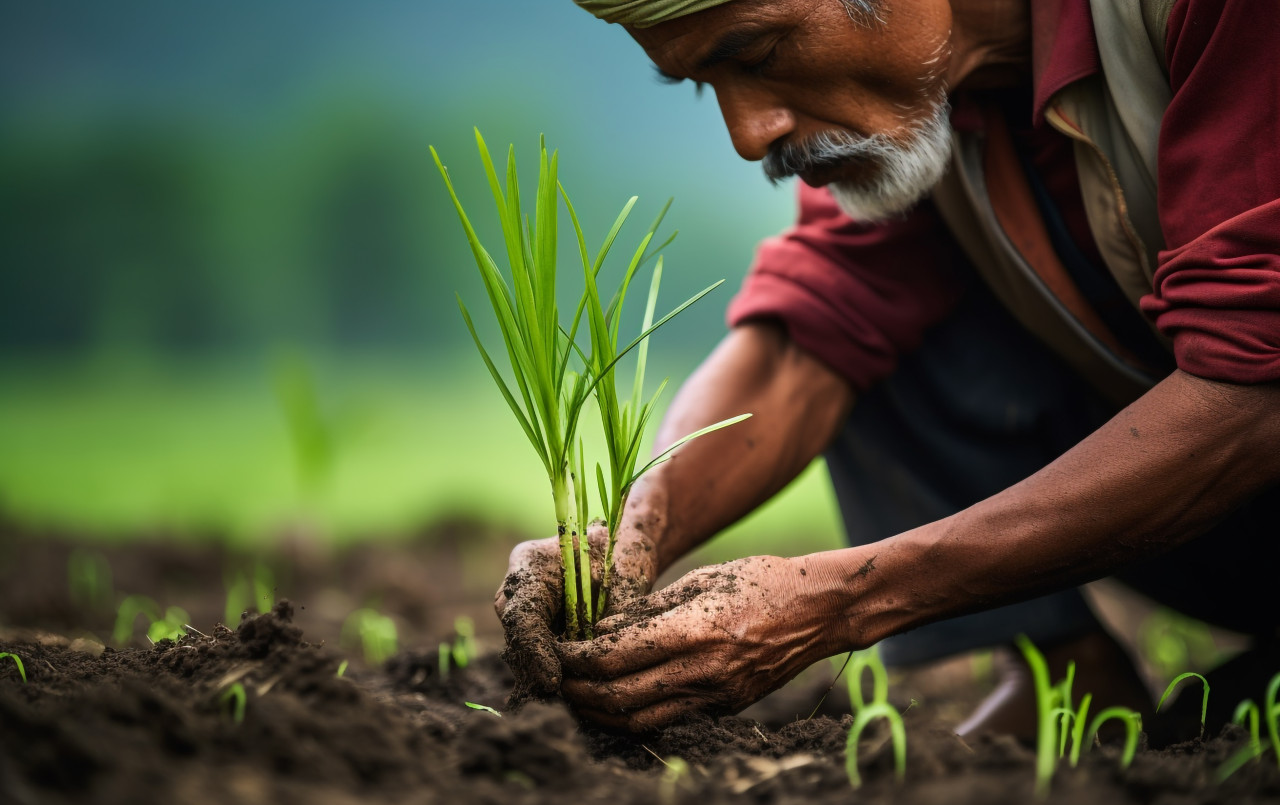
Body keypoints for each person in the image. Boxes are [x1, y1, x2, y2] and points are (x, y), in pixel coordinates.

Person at [495, 0, 1280, 734]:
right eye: (709, 89)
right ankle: (1065, 685)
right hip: (1225, 537)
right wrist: (628, 536)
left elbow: (1256, 397)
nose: (748, 134)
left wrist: (839, 602)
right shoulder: (927, 107)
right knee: (874, 321)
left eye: (760, 53)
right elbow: (813, 332)